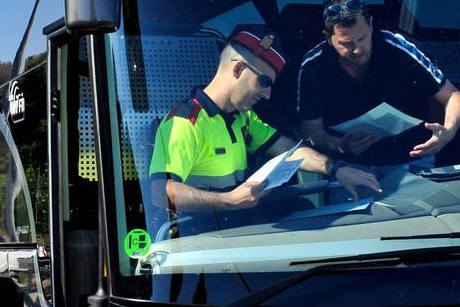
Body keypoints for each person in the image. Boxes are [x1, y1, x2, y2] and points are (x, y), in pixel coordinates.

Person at [149, 25, 381, 228]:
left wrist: (335, 169)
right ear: (238, 69)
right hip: (200, 248)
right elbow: (160, 192)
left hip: (238, 236)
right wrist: (229, 201)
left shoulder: (244, 119)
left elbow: (290, 151)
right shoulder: (184, 122)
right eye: (265, 82)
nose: (268, 94)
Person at [298, 0, 460, 166]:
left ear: (371, 25)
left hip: (412, 157)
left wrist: (447, 132)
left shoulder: (400, 49)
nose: (357, 50)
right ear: (328, 37)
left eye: (362, 38)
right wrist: (338, 145)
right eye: (346, 43)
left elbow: (453, 96)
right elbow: (310, 127)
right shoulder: (313, 65)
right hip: (349, 167)